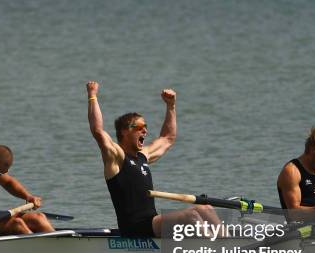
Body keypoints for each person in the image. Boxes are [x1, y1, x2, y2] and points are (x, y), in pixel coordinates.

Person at [86, 81, 223, 238]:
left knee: (206, 208)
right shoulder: (116, 157)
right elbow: (98, 131)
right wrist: (92, 96)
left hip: (152, 222)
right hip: (134, 228)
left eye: (145, 126)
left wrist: (171, 106)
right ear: (124, 132)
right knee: (191, 215)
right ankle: (212, 251)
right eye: (138, 127)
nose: (145, 130)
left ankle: (226, 243)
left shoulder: (144, 156)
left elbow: (168, 138)